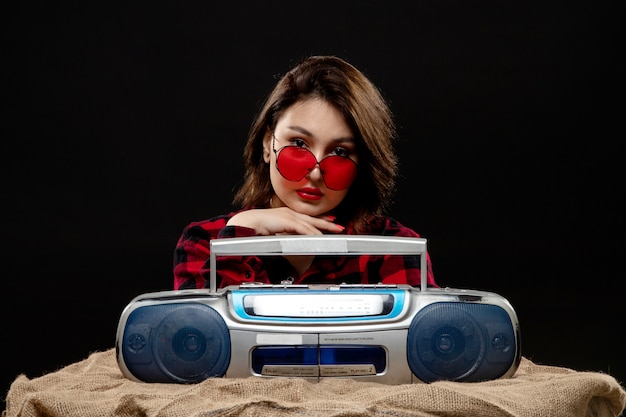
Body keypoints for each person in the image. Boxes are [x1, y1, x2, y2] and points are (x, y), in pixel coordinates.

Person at [173, 55, 437, 290]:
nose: (315, 174)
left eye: (340, 153)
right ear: (268, 144)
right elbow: (209, 338)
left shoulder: (395, 249)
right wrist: (242, 231)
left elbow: (414, 341)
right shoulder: (204, 244)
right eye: (299, 144)